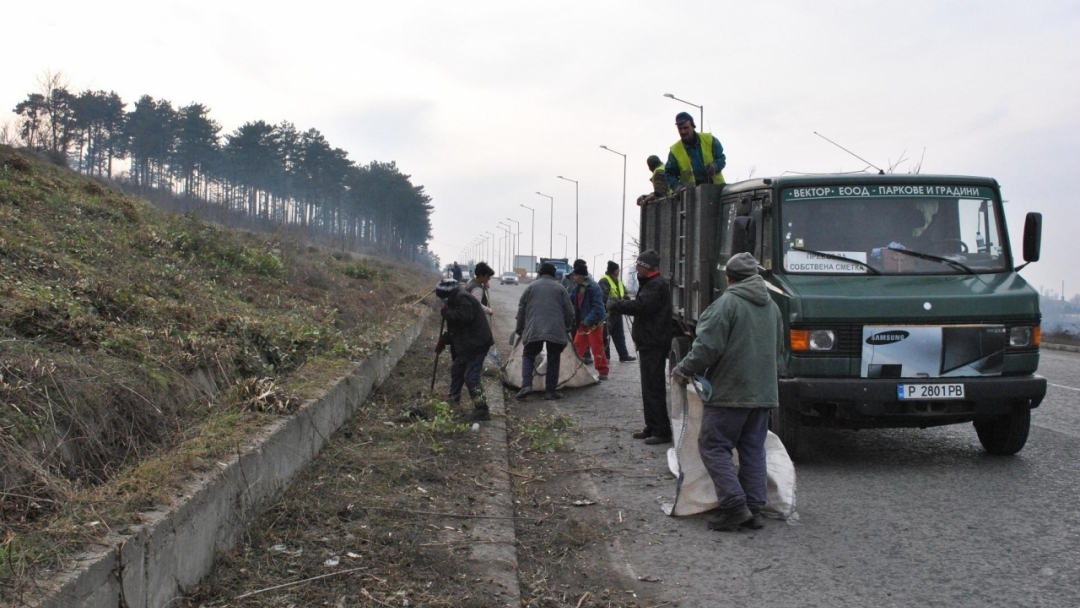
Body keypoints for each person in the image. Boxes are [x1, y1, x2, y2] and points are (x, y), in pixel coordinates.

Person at [671, 252, 784, 531]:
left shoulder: (726, 304)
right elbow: (779, 349)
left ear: (729, 278)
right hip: (763, 393)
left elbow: (706, 348)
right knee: (752, 449)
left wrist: (683, 369)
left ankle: (734, 506)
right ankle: (754, 509)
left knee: (713, 445)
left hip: (730, 392)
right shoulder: (772, 307)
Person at [606, 250, 675, 445]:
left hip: (654, 343)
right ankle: (651, 426)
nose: (636, 267)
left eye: (639, 264)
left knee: (654, 388)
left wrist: (617, 305)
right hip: (648, 342)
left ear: (648, 267)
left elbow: (642, 307)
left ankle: (661, 430)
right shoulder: (649, 283)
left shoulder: (656, 285)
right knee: (648, 388)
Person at [514, 262, 576, 400]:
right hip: (555, 328)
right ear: (554, 275)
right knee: (554, 358)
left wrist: (519, 328)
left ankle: (526, 385)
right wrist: (566, 327)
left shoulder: (530, 287)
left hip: (534, 327)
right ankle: (550, 392)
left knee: (529, 354)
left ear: (539, 273)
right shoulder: (560, 288)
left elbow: (522, 309)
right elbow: (570, 312)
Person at [435, 278, 494, 422]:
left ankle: (482, 409)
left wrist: (447, 313)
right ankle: (453, 398)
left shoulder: (463, 299)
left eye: (443, 298)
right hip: (468, 343)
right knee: (457, 369)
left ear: (448, 294)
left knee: (471, 377)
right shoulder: (454, 301)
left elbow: (464, 318)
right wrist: (444, 340)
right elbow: (456, 328)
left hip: (477, 344)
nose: (443, 301)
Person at [665, 112, 726, 192]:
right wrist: (677, 186)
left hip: (716, 189)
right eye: (680, 129)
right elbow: (669, 173)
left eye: (686, 128)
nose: (683, 132)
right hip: (691, 194)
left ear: (693, 126)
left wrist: (715, 166)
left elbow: (721, 158)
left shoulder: (709, 139)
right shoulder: (675, 150)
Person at [569, 261, 609, 380]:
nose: (574, 277)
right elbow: (572, 299)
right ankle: (573, 369)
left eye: (576, 275)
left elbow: (598, 308)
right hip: (583, 322)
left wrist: (588, 320)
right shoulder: (577, 287)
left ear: (582, 276)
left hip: (594, 323)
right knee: (577, 346)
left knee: (597, 347)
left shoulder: (593, 287)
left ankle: (603, 371)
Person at [598, 261, 634, 362]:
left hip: (617, 312)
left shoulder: (618, 281)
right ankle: (606, 357)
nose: (619, 271)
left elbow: (624, 293)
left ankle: (623, 355)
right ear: (615, 271)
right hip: (608, 313)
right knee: (605, 336)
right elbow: (604, 297)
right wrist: (617, 302)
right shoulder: (604, 281)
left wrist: (626, 300)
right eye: (618, 269)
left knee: (619, 336)